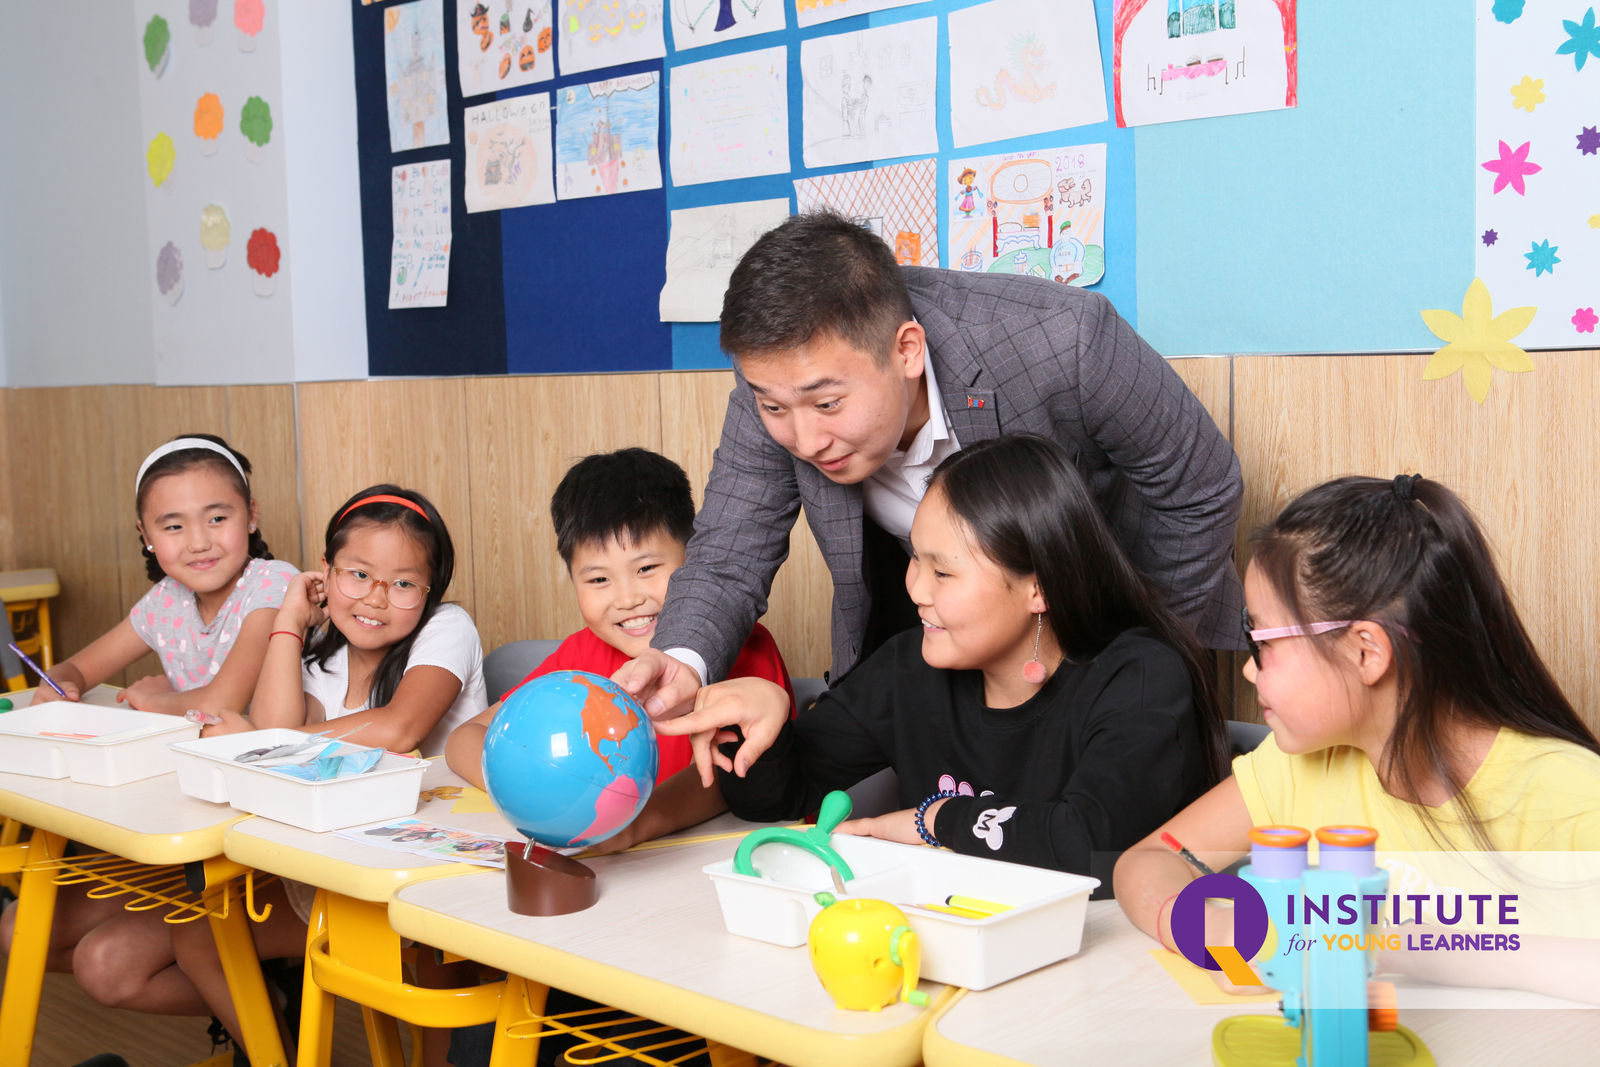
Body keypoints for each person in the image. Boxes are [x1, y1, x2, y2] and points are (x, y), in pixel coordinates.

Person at [616, 210, 1243, 722]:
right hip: (934, 638)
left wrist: (1128, 658)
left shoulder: (1063, 339)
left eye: (828, 404)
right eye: (774, 407)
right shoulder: (779, 383)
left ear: (907, 350)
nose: (804, 439)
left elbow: (1202, 489)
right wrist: (682, 660)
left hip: (1113, 610)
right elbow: (728, 554)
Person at [657, 436, 1228, 893]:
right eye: (915, 558)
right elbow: (777, 799)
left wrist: (933, 821)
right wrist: (765, 721)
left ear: (1040, 588)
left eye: (943, 572)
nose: (915, 589)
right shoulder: (911, 667)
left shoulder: (1140, 678)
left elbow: (1093, 848)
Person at [1113, 474, 1600, 999]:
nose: (1250, 671)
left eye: (1262, 644)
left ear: (1366, 652)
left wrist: (1381, 943)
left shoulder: (1572, 796)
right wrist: (1212, 930)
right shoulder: (1297, 764)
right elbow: (1149, 861)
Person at [172, 485, 488, 1061]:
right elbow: (278, 725)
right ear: (326, 573)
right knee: (199, 937)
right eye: (357, 575)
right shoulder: (328, 656)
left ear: (431, 591)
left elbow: (398, 728)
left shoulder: (448, 627)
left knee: (434, 1017)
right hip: (344, 875)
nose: (375, 598)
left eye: (403, 584)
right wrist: (290, 620)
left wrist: (266, 744)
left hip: (435, 876)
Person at [0, 434, 296, 1021]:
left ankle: (264, 1018)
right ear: (146, 535)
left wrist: (151, 701)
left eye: (218, 518)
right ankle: (272, 1005)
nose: (200, 541)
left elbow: (221, 702)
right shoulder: (166, 601)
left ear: (252, 515)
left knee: (104, 961)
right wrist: (60, 682)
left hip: (252, 834)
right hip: (175, 819)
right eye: (174, 526)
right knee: (16, 930)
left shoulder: (272, 584)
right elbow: (78, 667)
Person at [446, 447, 794, 852]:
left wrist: (632, 826)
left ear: (697, 561)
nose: (628, 599)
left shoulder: (743, 647)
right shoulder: (579, 656)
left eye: (646, 569)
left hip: (726, 856)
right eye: (598, 580)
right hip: (610, 861)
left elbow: (738, 778)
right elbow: (466, 738)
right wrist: (530, 798)